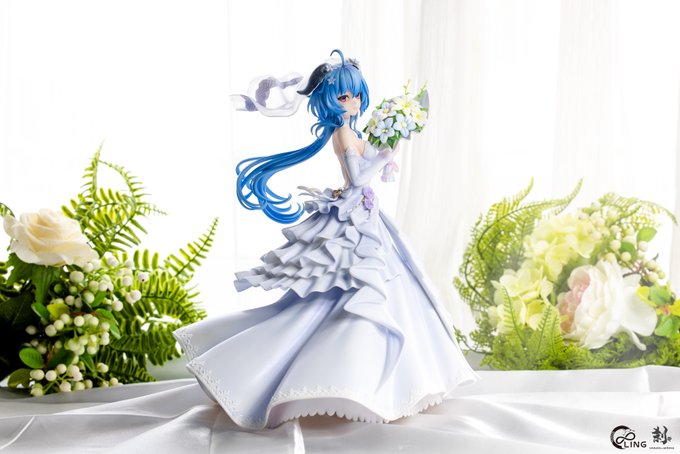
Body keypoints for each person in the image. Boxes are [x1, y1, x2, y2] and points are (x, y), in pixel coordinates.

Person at [173, 50, 478, 430]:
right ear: (329, 101)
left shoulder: (355, 132)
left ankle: (377, 382)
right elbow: (360, 177)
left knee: (367, 292)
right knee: (341, 296)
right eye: (343, 96)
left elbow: (367, 169)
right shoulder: (343, 133)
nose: (352, 102)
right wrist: (388, 152)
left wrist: (388, 147)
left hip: (364, 215)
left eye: (356, 95)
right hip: (355, 216)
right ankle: (316, 378)